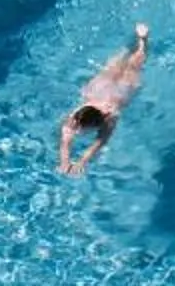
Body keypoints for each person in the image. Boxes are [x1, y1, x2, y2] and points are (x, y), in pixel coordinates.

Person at [59, 25, 149, 176]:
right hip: (103, 86)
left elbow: (99, 142)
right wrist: (65, 163)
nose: (78, 129)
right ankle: (138, 40)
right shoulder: (76, 118)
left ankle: (142, 41)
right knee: (126, 62)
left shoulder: (109, 118)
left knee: (133, 64)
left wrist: (82, 161)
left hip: (120, 90)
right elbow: (66, 143)